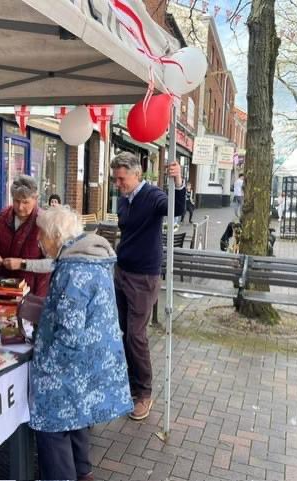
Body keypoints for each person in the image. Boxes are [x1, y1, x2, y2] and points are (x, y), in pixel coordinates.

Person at [30, 205, 132, 481]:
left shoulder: (72, 269)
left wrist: (44, 366)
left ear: (55, 235)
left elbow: (69, 336)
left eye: (41, 234)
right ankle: (83, 471)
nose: (39, 240)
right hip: (92, 360)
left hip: (75, 363)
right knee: (76, 416)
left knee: (53, 425)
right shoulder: (90, 258)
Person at [111, 152, 185, 420]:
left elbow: (176, 209)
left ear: (136, 174)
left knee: (136, 336)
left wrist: (178, 183)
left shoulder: (152, 196)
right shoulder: (123, 200)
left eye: (122, 179)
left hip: (144, 278)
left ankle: (144, 393)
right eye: (115, 179)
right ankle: (131, 385)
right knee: (123, 331)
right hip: (122, 273)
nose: (118, 184)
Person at [0, 175, 52, 296]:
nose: (20, 207)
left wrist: (23, 264)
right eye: (16, 201)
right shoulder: (3, 216)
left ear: (35, 199)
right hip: (4, 288)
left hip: (34, 293)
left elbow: (52, 263)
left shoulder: (44, 221)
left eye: (25, 202)